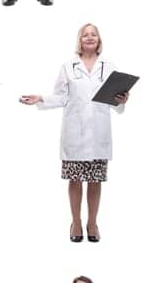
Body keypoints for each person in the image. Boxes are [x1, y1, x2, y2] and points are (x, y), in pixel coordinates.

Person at [20, 24, 130, 243]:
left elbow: (115, 102)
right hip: (75, 133)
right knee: (75, 179)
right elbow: (61, 97)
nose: (89, 38)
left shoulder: (109, 66)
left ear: (99, 40)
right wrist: (41, 99)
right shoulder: (68, 66)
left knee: (95, 180)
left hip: (99, 133)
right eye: (85, 35)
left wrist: (122, 101)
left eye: (93, 34)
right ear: (79, 40)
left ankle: (92, 223)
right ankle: (76, 222)